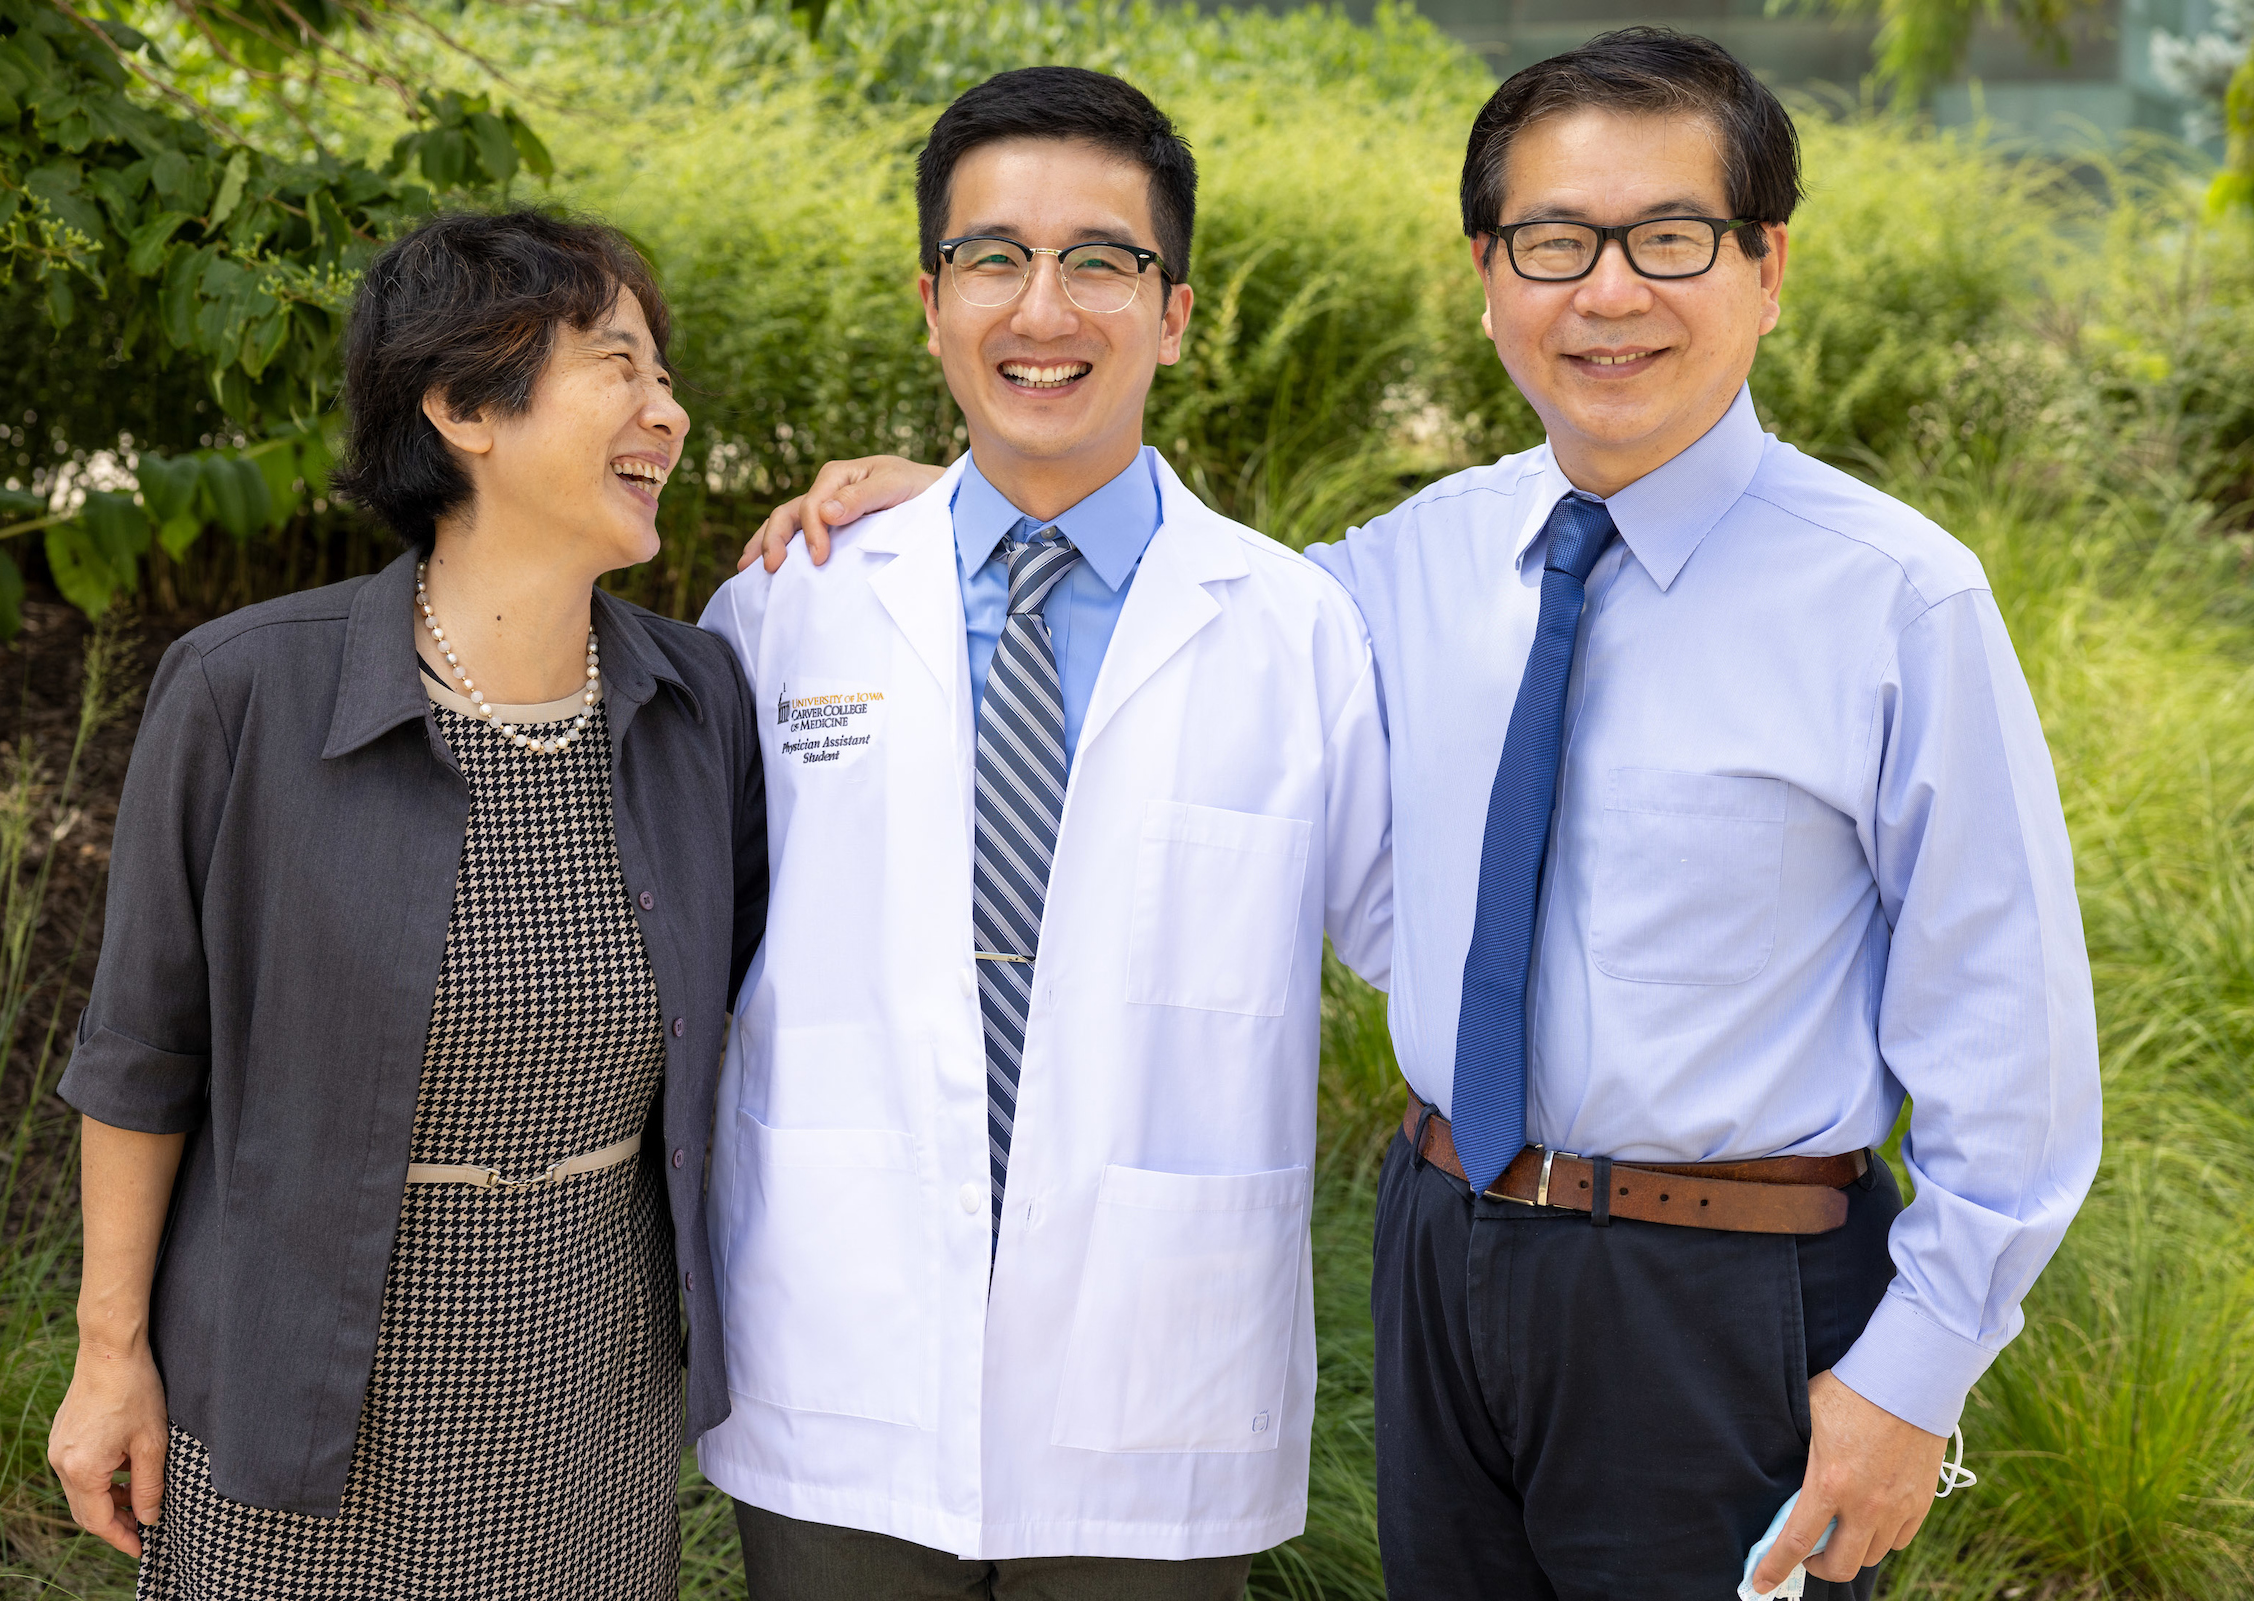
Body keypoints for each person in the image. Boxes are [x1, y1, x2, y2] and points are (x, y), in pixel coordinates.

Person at [741, 28, 2101, 1601]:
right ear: (1489, 274)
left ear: (1766, 264)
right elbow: (1162, 588)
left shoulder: (1897, 599)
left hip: (1726, 1286)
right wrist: (969, 491)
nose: (1608, 292)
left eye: (1669, 239)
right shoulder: (1402, 569)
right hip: (1449, 1256)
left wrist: (1911, 1379)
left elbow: (2013, 1040)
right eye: (1553, 242)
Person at [696, 66, 1392, 1600]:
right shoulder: (784, 607)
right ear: (931, 299)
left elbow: (1423, 948)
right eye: (995, 258)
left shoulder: (1297, 630)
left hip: (1154, 1381)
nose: (1043, 308)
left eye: (1101, 261)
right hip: (841, 1352)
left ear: (1180, 311)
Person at [45, 208, 769, 1597]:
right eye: (619, 364)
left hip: (587, 1384)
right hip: (305, 1376)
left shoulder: (696, 704)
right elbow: (142, 1054)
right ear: (459, 404)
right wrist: (109, 1351)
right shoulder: (244, 689)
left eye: (666, 376)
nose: (667, 414)